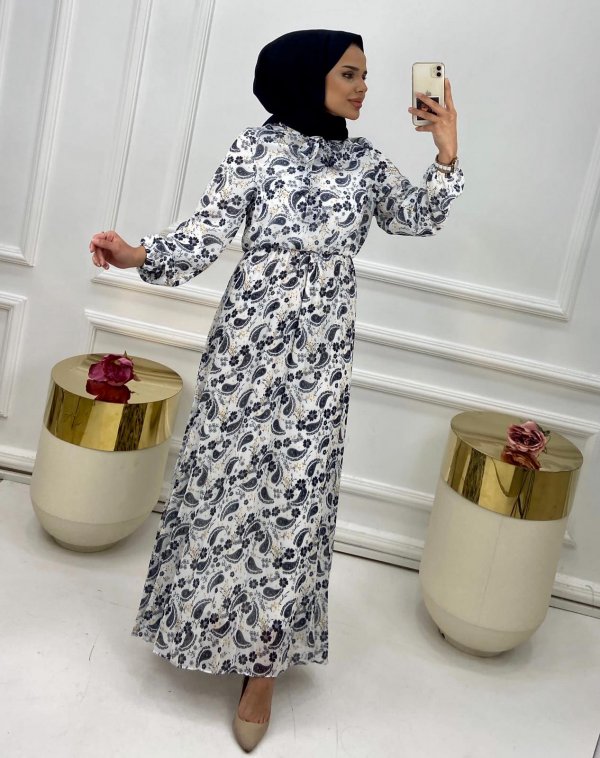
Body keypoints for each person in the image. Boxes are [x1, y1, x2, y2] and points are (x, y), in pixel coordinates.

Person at [89, 28, 464, 753]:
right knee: (222, 490)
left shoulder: (363, 163)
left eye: (364, 74)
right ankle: (199, 623)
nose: (363, 87)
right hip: (245, 348)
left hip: (320, 359)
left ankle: (261, 670)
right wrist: (136, 254)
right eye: (349, 73)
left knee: (294, 503)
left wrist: (446, 153)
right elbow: (205, 233)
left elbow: (415, 216)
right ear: (304, 76)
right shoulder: (255, 149)